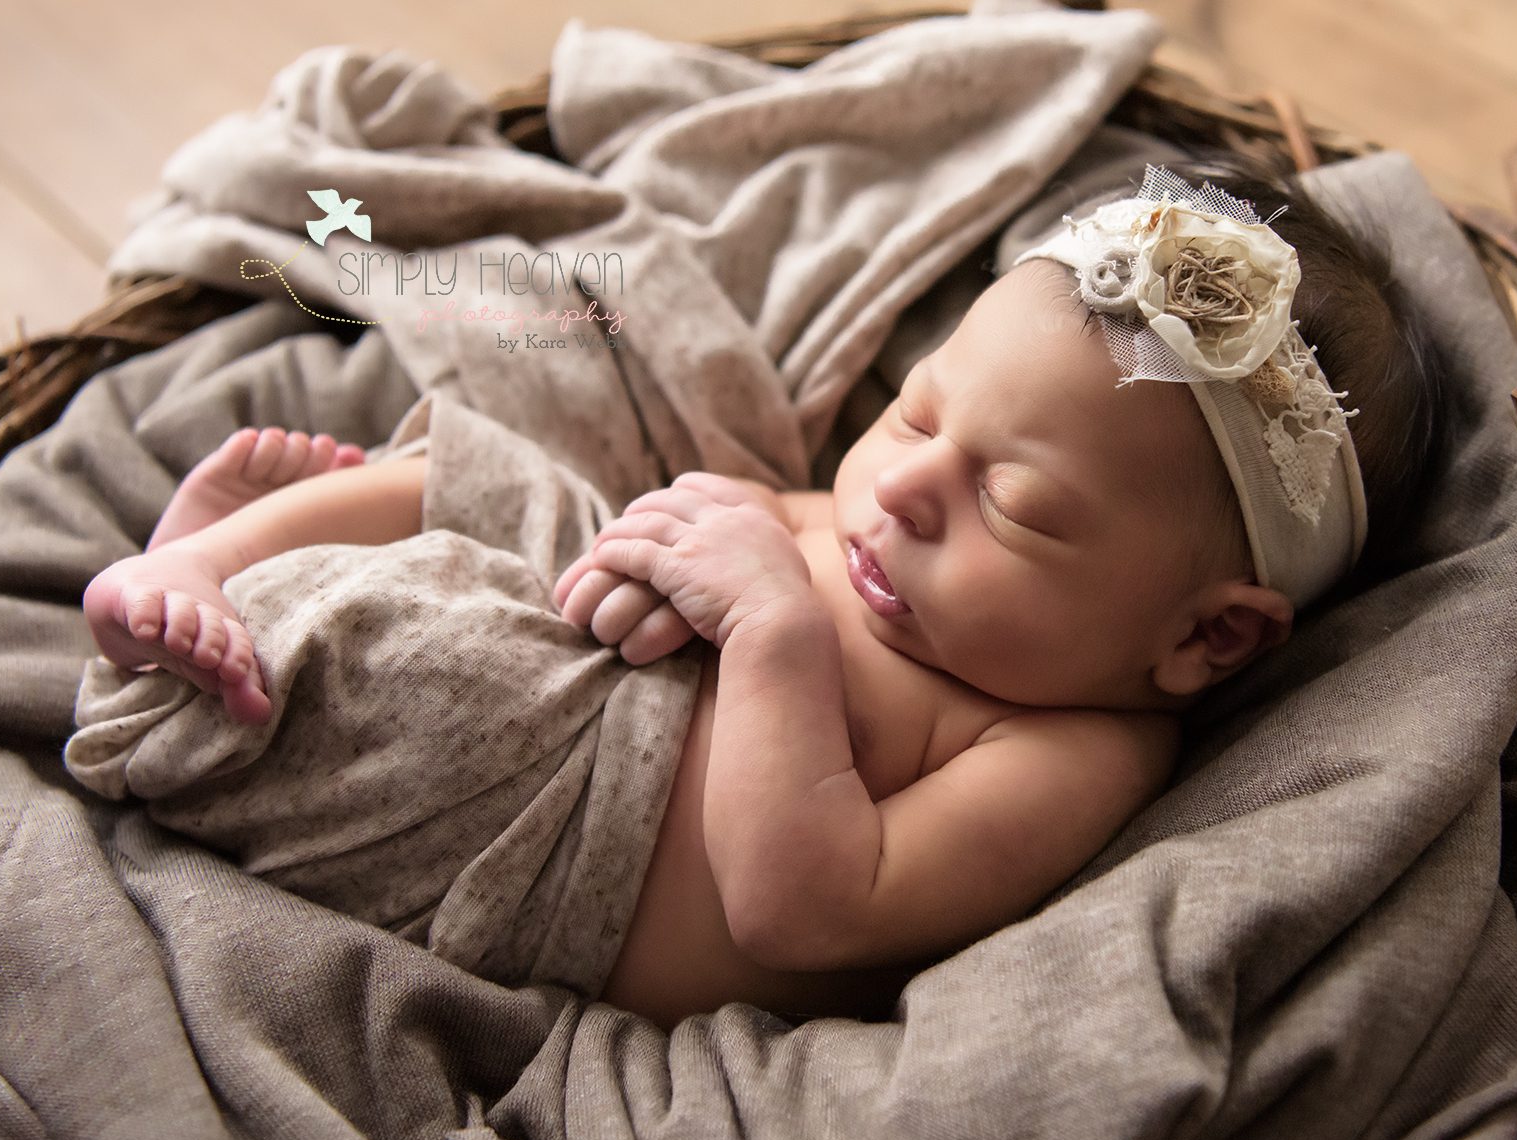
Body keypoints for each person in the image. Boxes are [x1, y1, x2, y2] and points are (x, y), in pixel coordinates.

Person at [80, 155, 1448, 1025]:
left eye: (1015, 505)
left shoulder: (1068, 751)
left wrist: (774, 629)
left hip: (563, 821)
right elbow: (691, 523)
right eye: (915, 416)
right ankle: (208, 560)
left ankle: (218, 635)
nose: (902, 490)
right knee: (504, 478)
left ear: (1203, 636)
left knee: (417, 658)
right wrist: (687, 547)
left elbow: (801, 907)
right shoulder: (868, 520)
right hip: (574, 623)